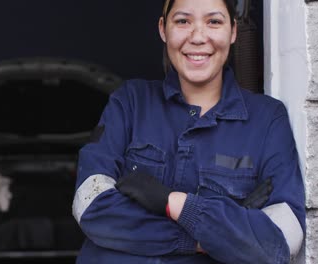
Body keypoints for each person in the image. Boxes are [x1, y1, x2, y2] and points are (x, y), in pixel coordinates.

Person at [72, 0, 306, 263]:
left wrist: (175, 203)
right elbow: (90, 206)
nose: (197, 37)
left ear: (233, 32)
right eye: (183, 21)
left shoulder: (267, 120)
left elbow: (280, 242)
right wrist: (215, 235)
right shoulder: (130, 102)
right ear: (163, 29)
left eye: (214, 21)